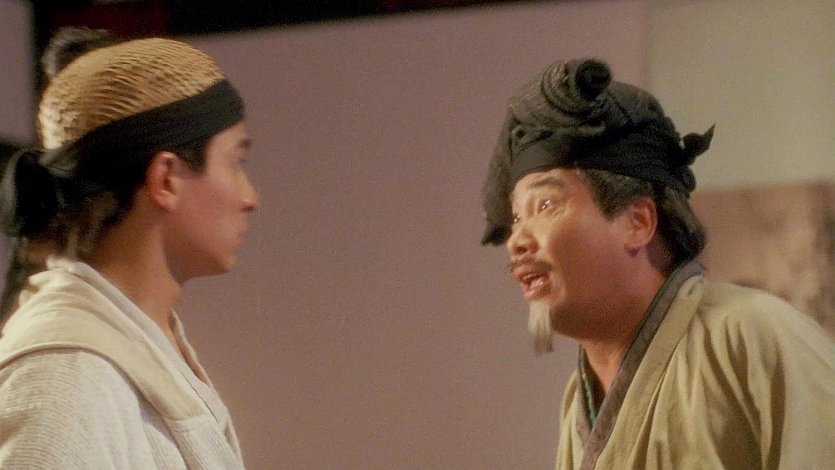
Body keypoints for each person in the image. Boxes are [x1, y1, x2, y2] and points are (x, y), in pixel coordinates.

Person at [481, 58, 835, 469]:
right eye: (517, 218)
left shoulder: (753, 336)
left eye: (545, 205)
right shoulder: (578, 398)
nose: (517, 241)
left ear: (638, 221)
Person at [0, 27, 258, 468]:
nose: (251, 197)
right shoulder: (65, 376)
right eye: (236, 162)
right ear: (166, 179)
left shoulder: (130, 343)